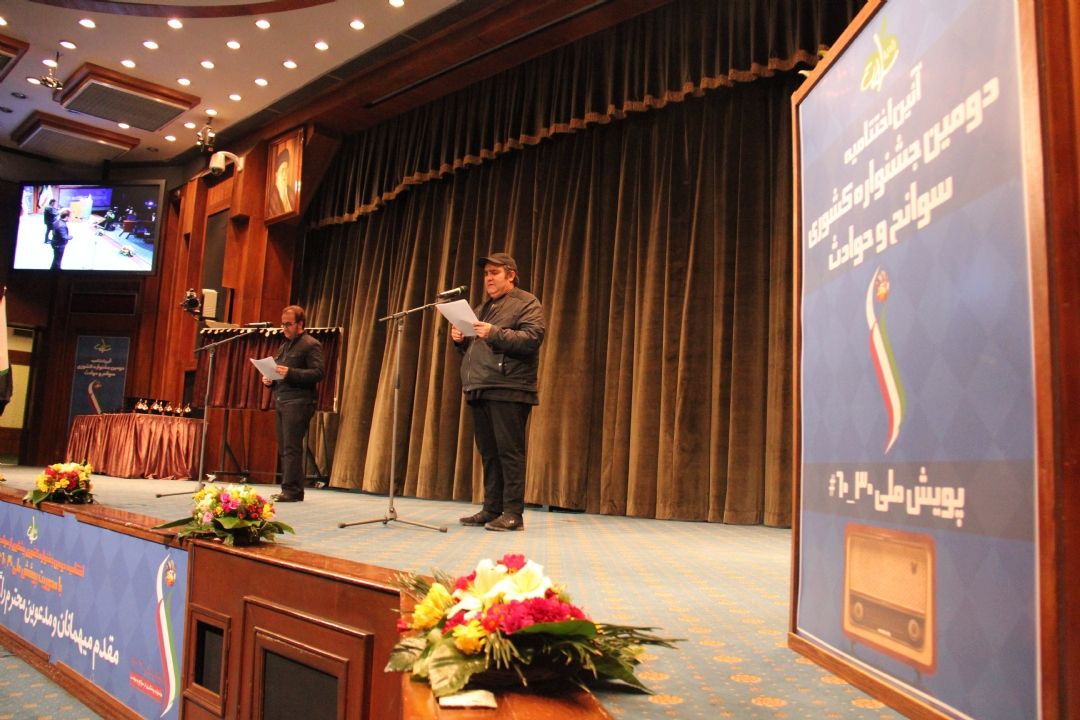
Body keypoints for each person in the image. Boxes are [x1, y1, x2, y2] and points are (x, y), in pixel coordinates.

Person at [451, 252, 545, 531]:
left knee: (509, 453)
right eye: (486, 274)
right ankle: (492, 509)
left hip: (509, 386)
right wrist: (460, 341)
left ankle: (513, 513)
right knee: (489, 453)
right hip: (480, 386)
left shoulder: (526, 302)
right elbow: (477, 349)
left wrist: (493, 332)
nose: (488, 279)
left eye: (495, 273)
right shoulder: (482, 308)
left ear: (511, 275)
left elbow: (532, 338)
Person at [261, 305, 324, 502]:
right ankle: (292, 489)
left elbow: (318, 373)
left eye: (288, 324)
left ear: (300, 324)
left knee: (291, 447)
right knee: (285, 447)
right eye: (282, 324)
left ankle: (291, 490)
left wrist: (290, 372)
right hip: (282, 400)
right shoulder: (284, 346)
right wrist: (269, 380)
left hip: (299, 402)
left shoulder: (311, 344)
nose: (284, 328)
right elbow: (278, 371)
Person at [267, 147, 296, 217]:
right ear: (276, 174)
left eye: (286, 170)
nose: (285, 174)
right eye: (282, 170)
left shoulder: (292, 193)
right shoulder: (271, 198)